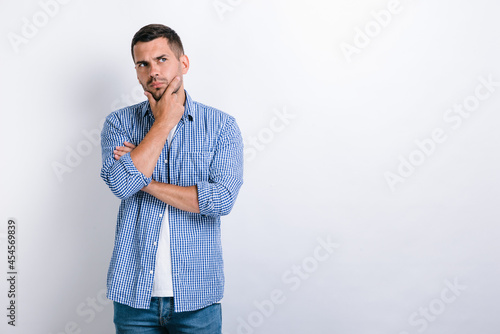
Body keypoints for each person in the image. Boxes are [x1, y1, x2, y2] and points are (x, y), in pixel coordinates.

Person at [100, 24, 244, 333]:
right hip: (133, 295)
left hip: (197, 298)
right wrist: (164, 122)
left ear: (184, 63)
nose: (153, 70)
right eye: (143, 64)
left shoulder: (221, 127)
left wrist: (145, 179)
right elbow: (121, 185)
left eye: (162, 59)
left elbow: (219, 200)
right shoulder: (119, 123)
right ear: (137, 72)